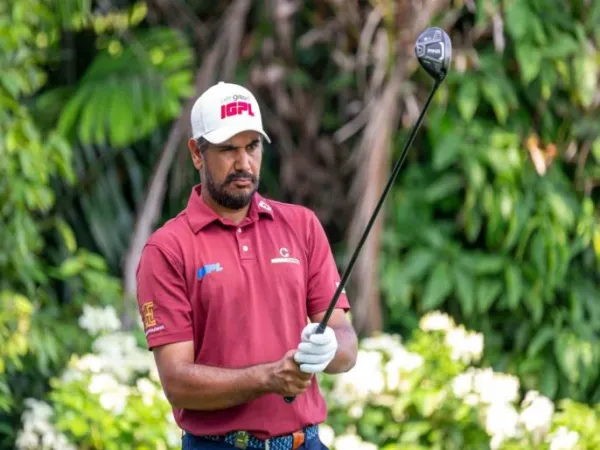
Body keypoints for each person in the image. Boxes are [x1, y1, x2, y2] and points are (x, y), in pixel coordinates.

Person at [135, 81, 358, 450]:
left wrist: (330, 347)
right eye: (227, 149)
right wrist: (267, 378)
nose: (243, 164)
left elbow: (345, 342)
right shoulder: (167, 248)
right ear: (197, 153)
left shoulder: (301, 225)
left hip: (306, 443)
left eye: (252, 147)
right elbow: (176, 382)